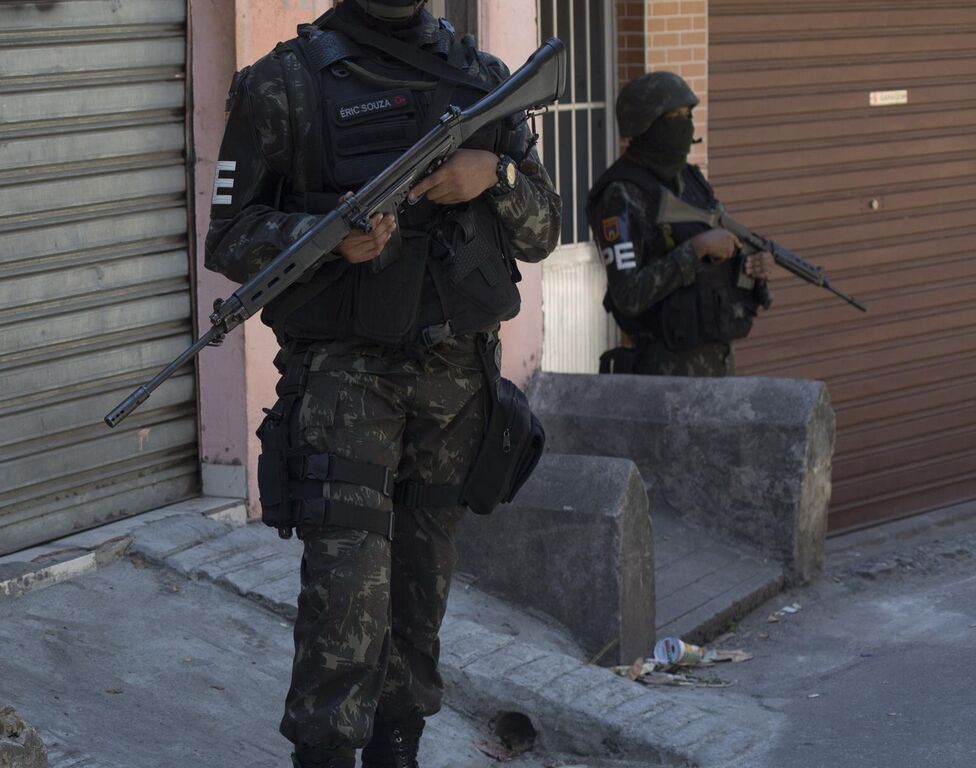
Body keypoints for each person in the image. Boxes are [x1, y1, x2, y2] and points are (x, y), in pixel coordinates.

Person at [204, 1, 560, 766]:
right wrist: (328, 235)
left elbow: (542, 232)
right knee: (346, 594)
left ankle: (399, 745)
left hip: (455, 381)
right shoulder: (283, 86)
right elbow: (231, 238)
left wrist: (491, 174)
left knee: (421, 590)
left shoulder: (487, 80)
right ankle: (326, 753)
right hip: (345, 382)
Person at [589, 71, 771, 377]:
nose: (686, 125)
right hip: (665, 374)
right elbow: (629, 295)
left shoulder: (690, 179)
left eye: (688, 115)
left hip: (718, 363)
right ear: (647, 124)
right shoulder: (621, 194)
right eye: (675, 116)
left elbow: (720, 250)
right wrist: (696, 249)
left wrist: (753, 267)